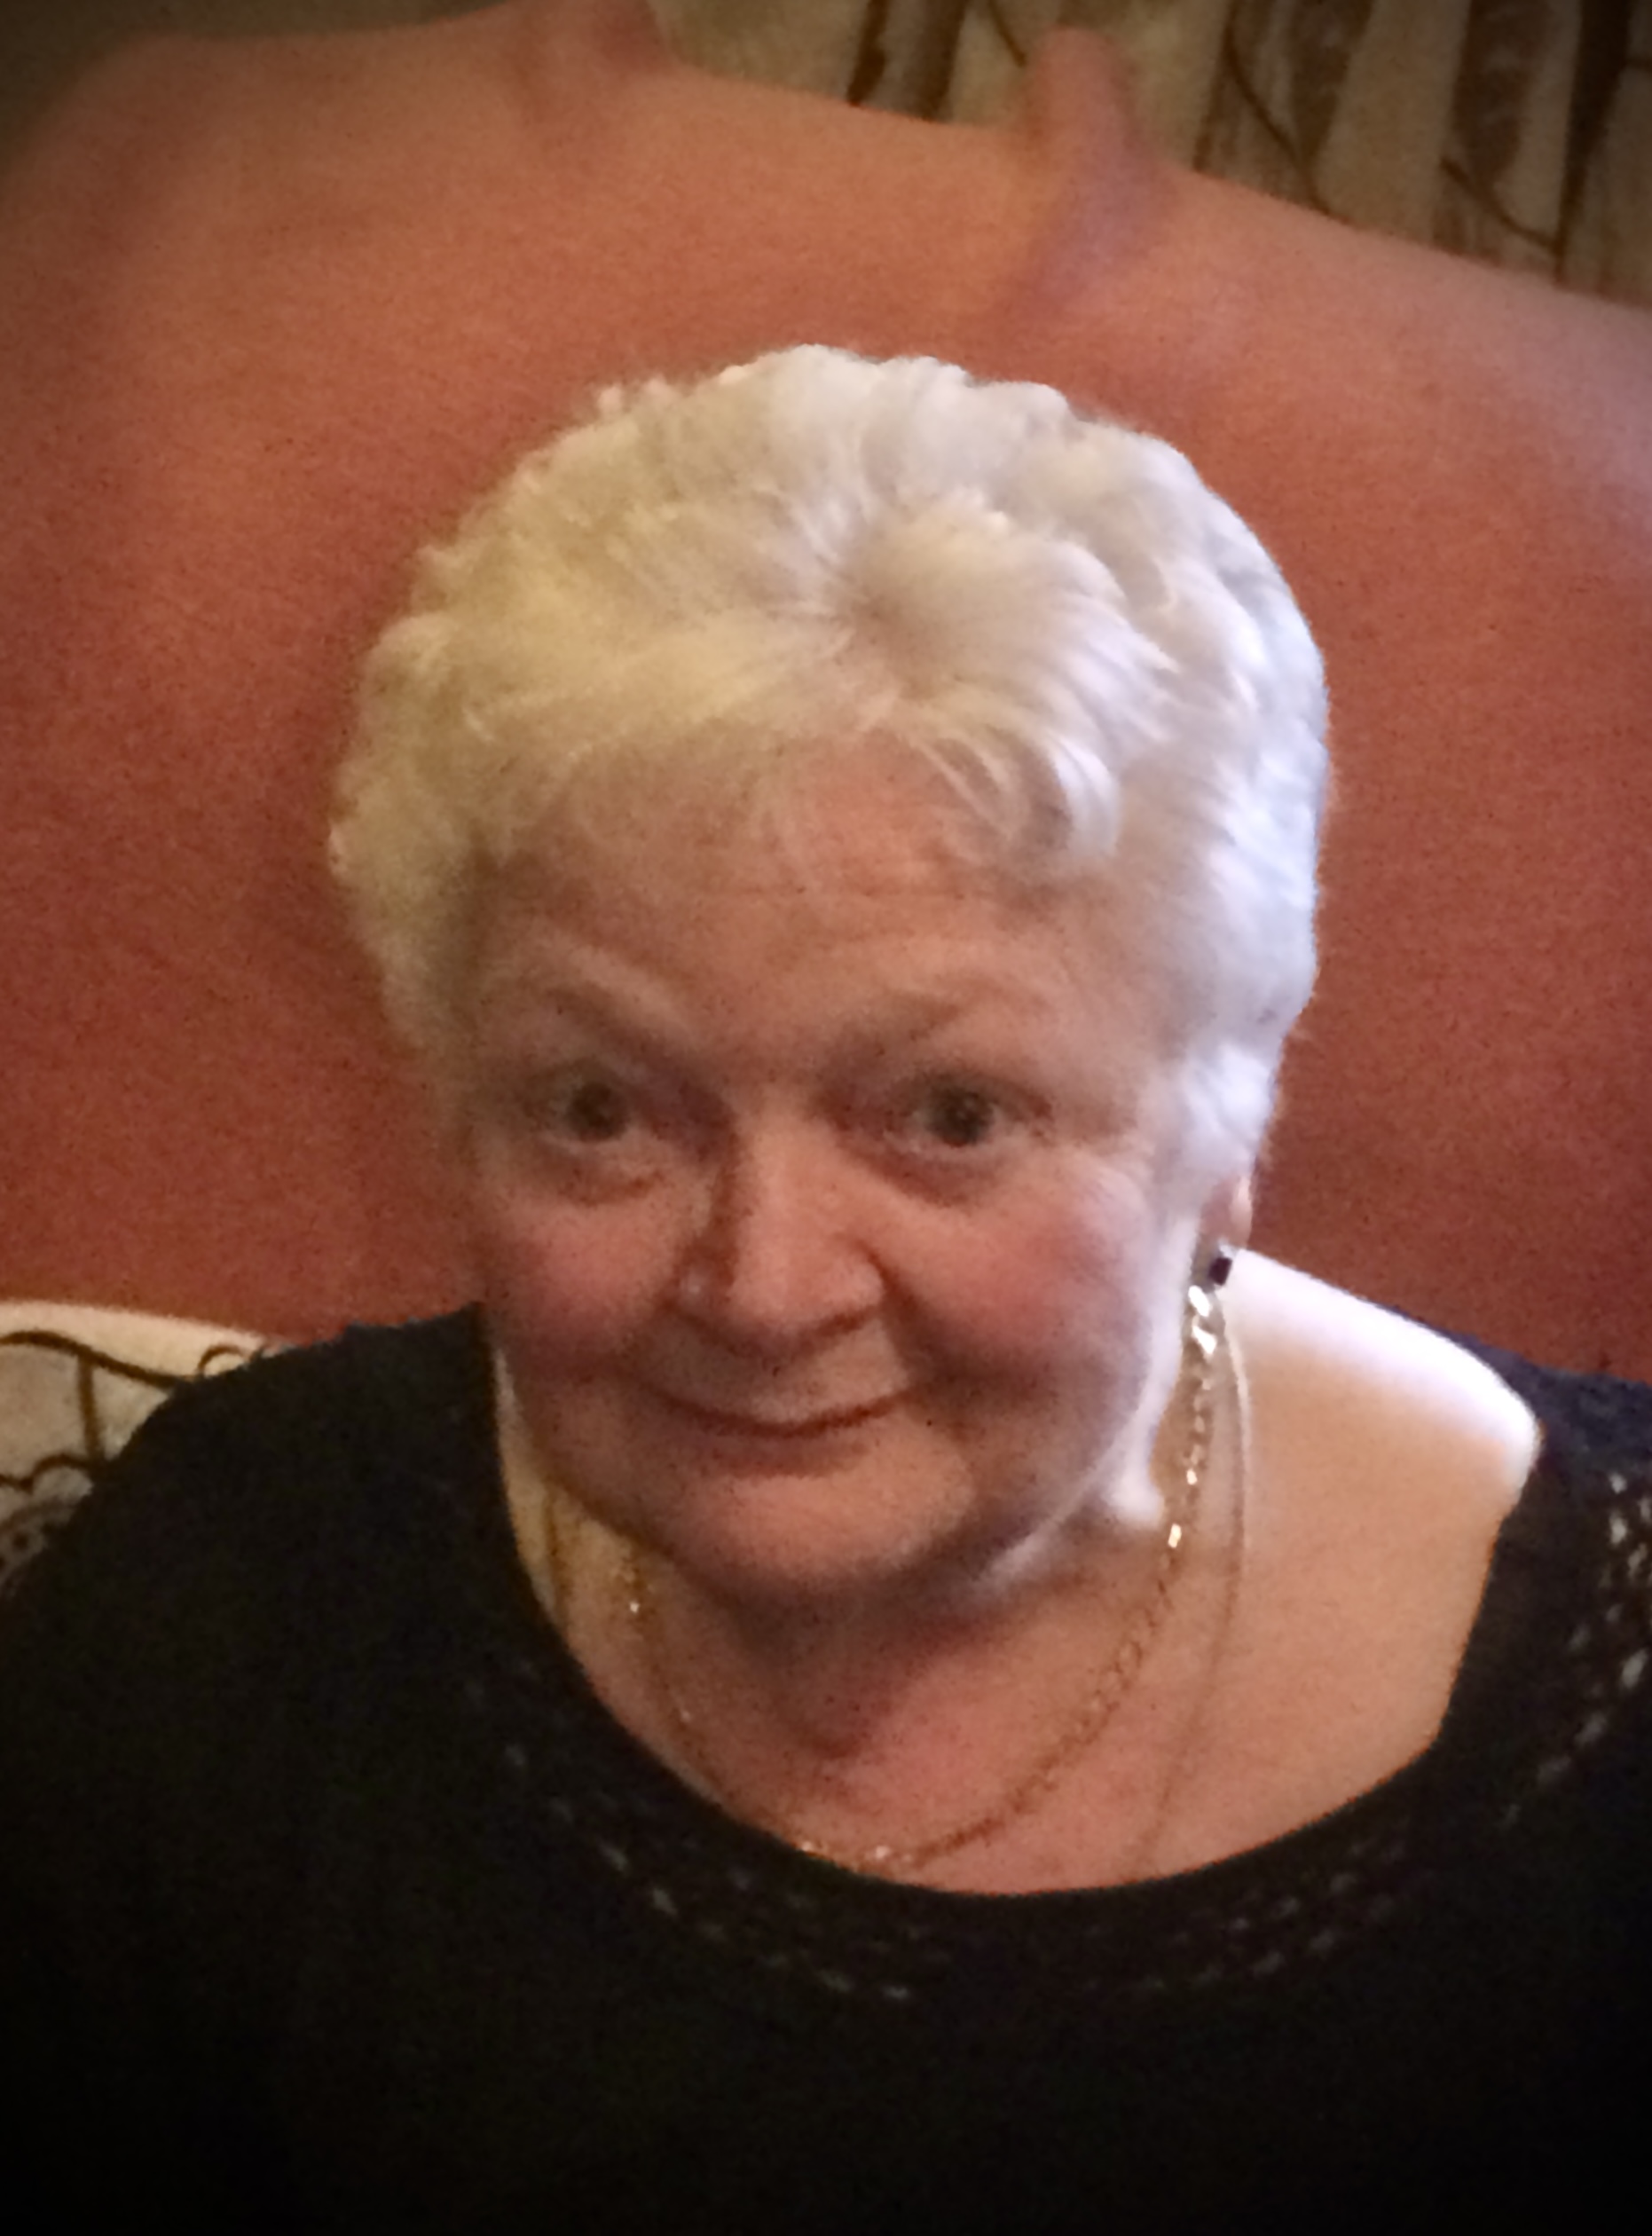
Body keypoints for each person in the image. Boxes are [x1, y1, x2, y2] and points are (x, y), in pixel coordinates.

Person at [3, 347, 1649, 2232]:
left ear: (1227, 1130)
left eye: (950, 1115)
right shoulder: (229, 1615)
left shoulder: (1608, 1758)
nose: (764, 1288)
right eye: (602, 1107)